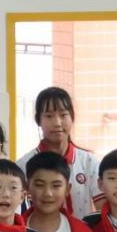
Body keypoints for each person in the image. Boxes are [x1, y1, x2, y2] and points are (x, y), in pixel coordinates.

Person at [27, 88, 99, 219]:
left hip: (82, 231)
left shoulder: (90, 162)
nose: (57, 123)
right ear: (38, 120)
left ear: (72, 117)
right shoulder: (23, 165)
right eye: (49, 116)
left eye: (63, 115)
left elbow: (104, 210)